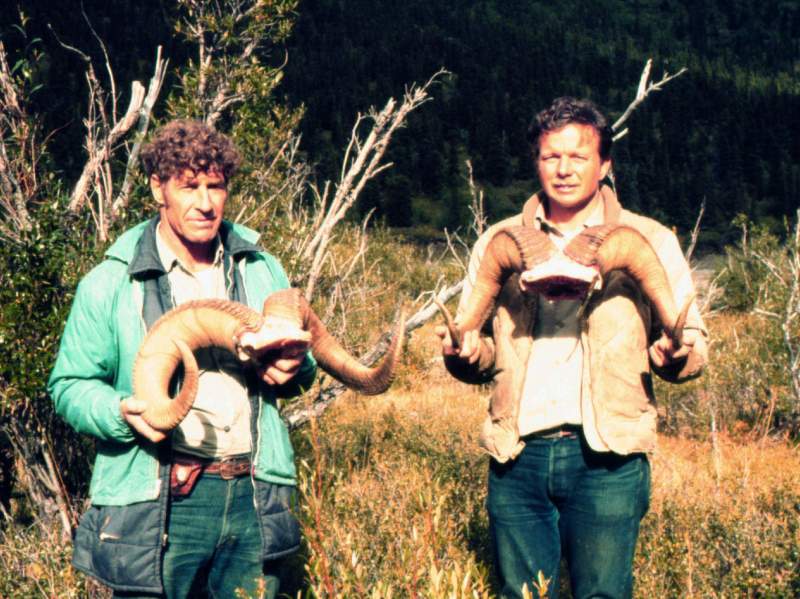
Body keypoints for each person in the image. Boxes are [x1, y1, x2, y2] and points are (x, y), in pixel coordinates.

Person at [437, 97, 708, 599]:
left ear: (604, 164)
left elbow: (689, 338)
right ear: (536, 162)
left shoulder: (649, 237)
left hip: (607, 458)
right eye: (550, 157)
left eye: (578, 157)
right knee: (522, 594)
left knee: (602, 594)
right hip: (518, 454)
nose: (563, 170)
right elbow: (479, 345)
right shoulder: (500, 239)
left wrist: (677, 352)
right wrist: (465, 353)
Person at [48, 119, 316, 598]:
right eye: (189, 186)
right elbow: (69, 385)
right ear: (158, 187)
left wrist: (296, 366)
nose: (206, 202)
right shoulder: (111, 280)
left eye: (216, 186)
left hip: (253, 494)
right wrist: (118, 413)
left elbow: (301, 359)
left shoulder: (260, 267)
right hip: (163, 497)